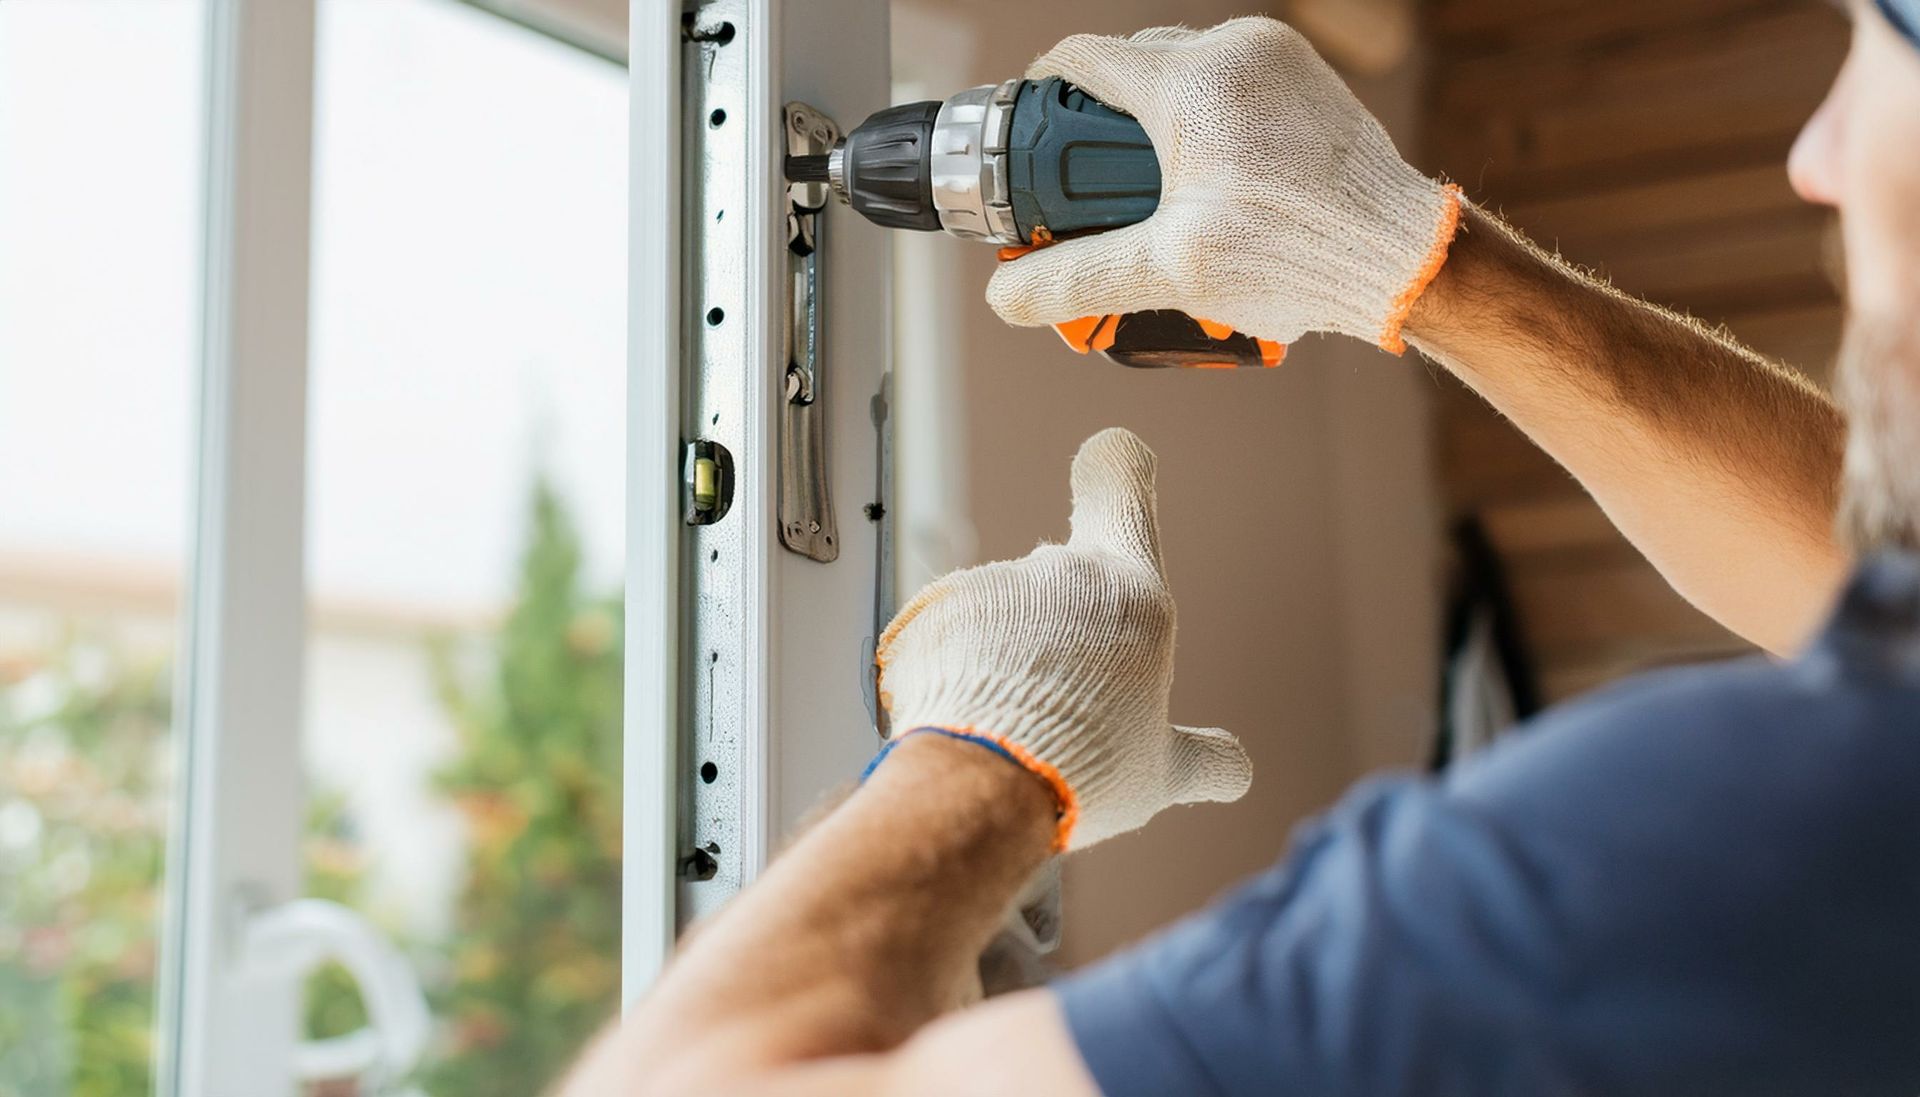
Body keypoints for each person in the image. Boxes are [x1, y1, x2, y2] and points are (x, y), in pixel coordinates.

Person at [561, 1, 1920, 1092]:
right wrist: (1413, 258)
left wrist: (995, 748)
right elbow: (1862, 580)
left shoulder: (1666, 858)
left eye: (1877, 51)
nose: (1818, 150)